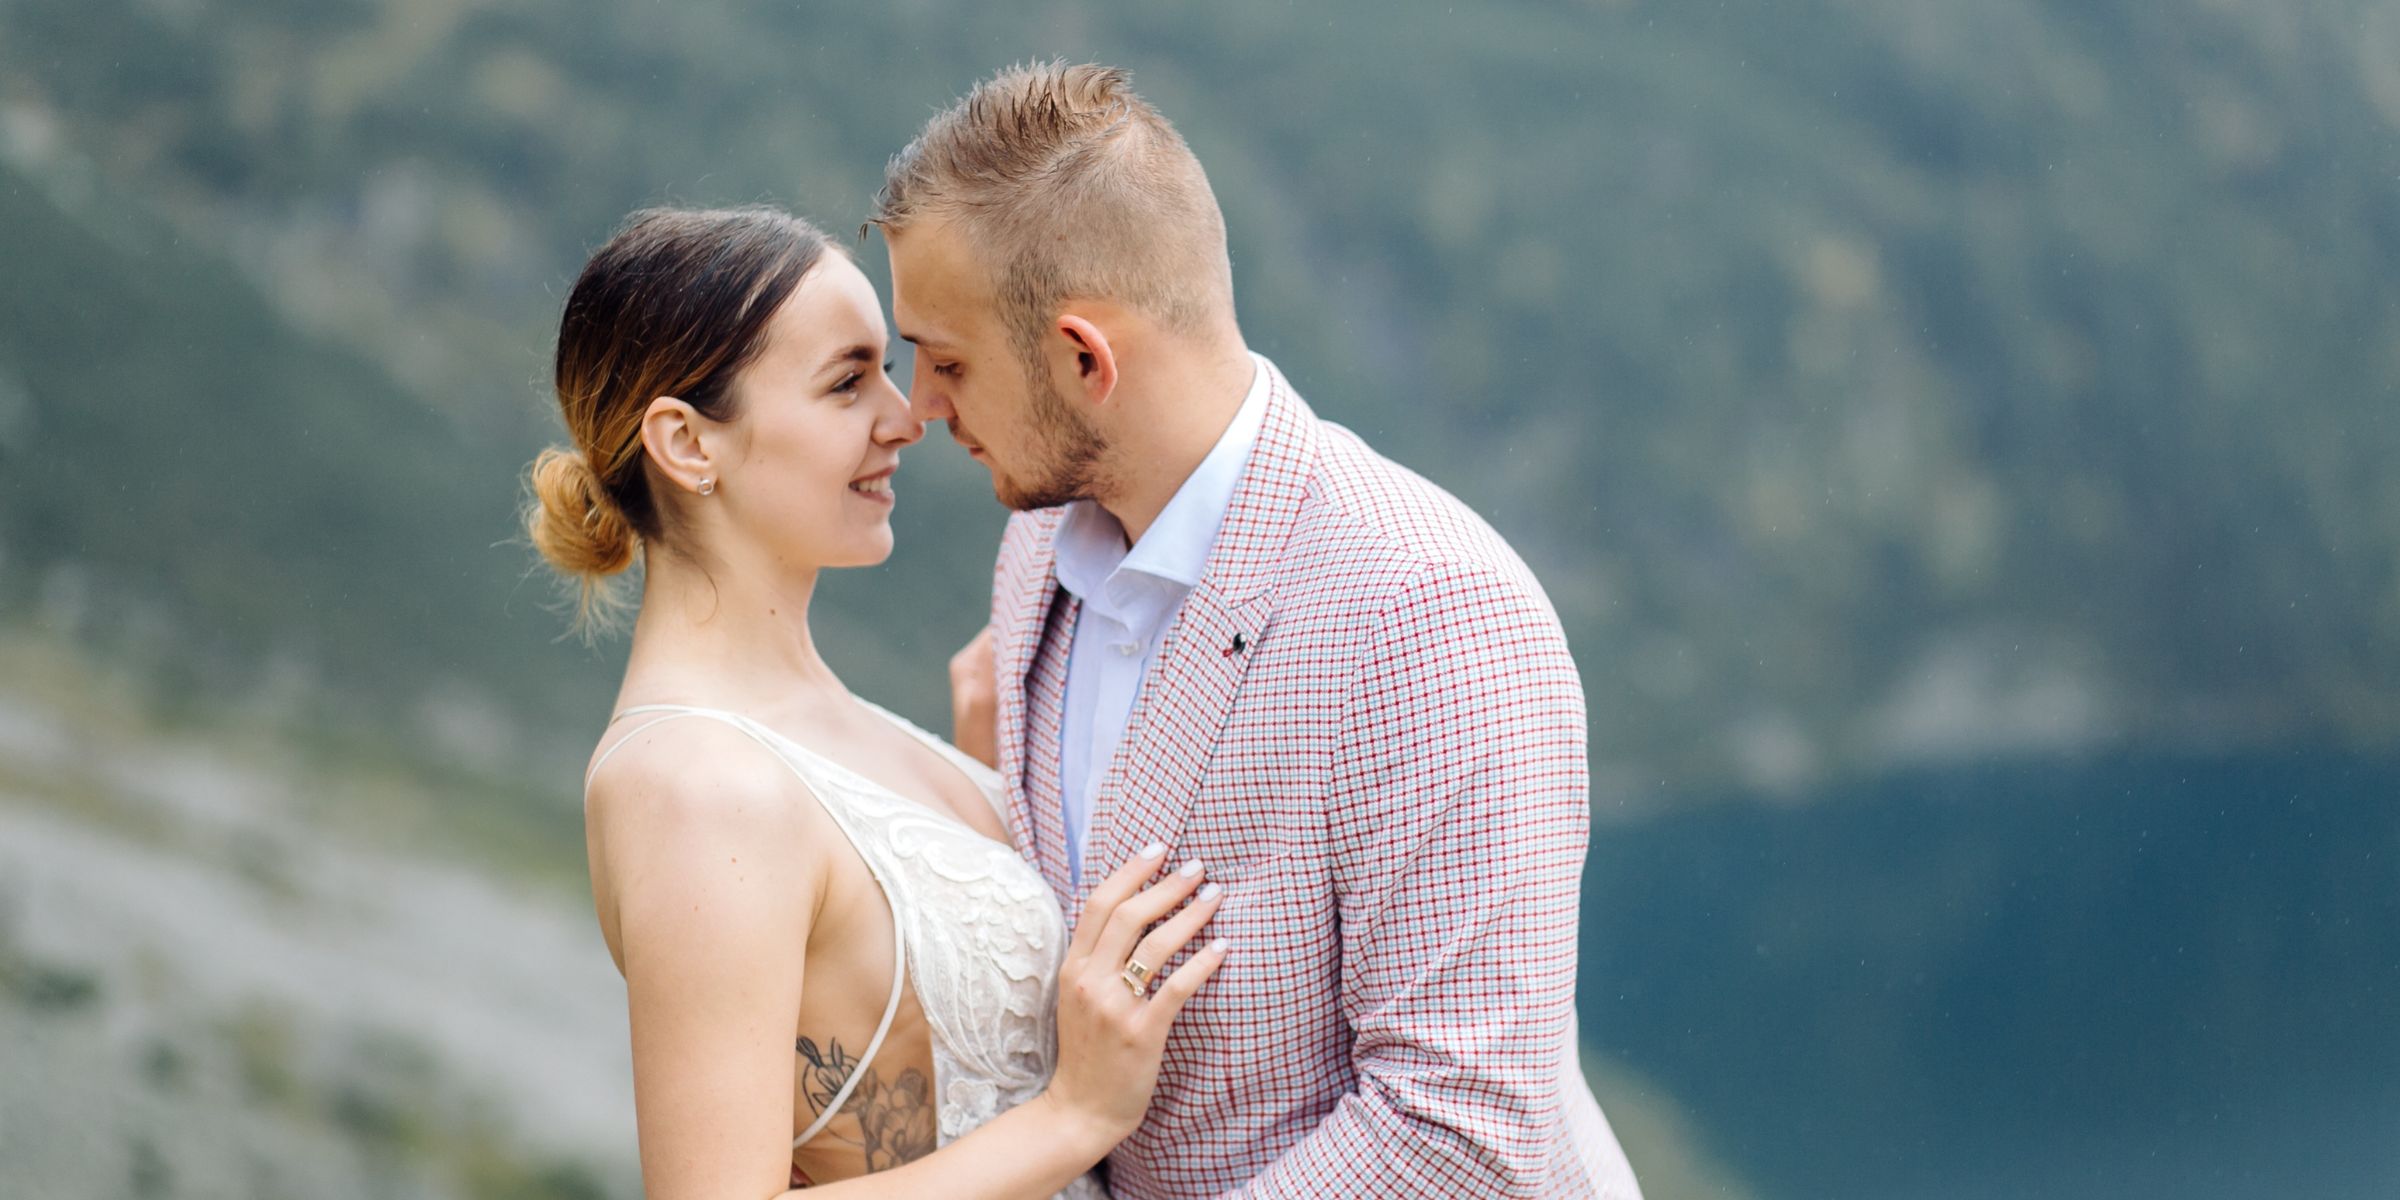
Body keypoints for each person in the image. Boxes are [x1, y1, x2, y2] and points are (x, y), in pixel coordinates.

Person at [877, 63, 1643, 1198]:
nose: (920, 407)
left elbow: (1462, 1136)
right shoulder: (1038, 543)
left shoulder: (1433, 614)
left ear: (1085, 358)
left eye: (947, 361)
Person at [523, 205, 1228, 1199]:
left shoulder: (835, 727)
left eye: (888, 371)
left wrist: (997, 770)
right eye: (847, 383)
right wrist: (1076, 1116)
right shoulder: (693, 785)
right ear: (686, 444)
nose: (905, 417)